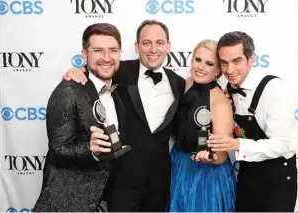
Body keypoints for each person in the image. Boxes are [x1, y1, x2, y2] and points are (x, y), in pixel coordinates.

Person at [63, 20, 185, 211]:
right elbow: (94, 73)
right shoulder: (118, 71)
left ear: (168, 46)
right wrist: (76, 72)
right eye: (146, 43)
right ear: (137, 47)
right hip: (121, 179)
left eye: (159, 42)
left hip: (160, 180)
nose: (153, 49)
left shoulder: (178, 83)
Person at [33, 23, 124, 212]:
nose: (107, 58)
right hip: (67, 200)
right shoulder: (68, 90)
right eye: (98, 50)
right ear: (84, 55)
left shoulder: (118, 87)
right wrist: (88, 149)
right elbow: (57, 150)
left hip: (104, 198)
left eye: (113, 50)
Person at [207, 31, 297, 212]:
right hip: (247, 177)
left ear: (251, 59)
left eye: (236, 61)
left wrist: (236, 144)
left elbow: (282, 144)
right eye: (224, 63)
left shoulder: (273, 89)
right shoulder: (226, 91)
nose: (230, 70)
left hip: (276, 181)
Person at [168, 40, 236, 212]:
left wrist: (209, 156)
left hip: (205, 177)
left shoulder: (220, 102)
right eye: (198, 60)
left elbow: (220, 157)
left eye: (209, 63)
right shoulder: (186, 83)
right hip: (178, 164)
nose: (201, 67)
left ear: (218, 70)